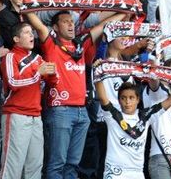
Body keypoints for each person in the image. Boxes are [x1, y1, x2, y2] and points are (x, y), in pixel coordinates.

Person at [25, 10, 123, 179]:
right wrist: (26, 5)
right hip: (60, 110)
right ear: (55, 27)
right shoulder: (51, 43)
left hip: (82, 111)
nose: (70, 24)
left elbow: (103, 26)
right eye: (65, 22)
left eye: (72, 21)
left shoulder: (80, 43)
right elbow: (39, 26)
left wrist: (125, 10)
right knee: (57, 163)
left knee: (73, 164)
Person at [95, 76, 171, 178]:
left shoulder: (146, 116)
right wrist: (98, 76)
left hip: (137, 172)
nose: (127, 102)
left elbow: (169, 102)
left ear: (138, 99)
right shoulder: (112, 115)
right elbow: (103, 98)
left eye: (131, 98)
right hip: (114, 171)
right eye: (123, 98)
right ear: (119, 100)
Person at [0, 23, 57, 179]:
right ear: (16, 38)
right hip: (16, 114)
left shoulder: (37, 58)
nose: (32, 35)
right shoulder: (10, 56)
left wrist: (52, 74)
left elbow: (51, 83)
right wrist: (38, 73)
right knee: (13, 166)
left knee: (35, 166)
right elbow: (13, 82)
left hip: (36, 116)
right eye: (26, 32)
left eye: (32, 32)